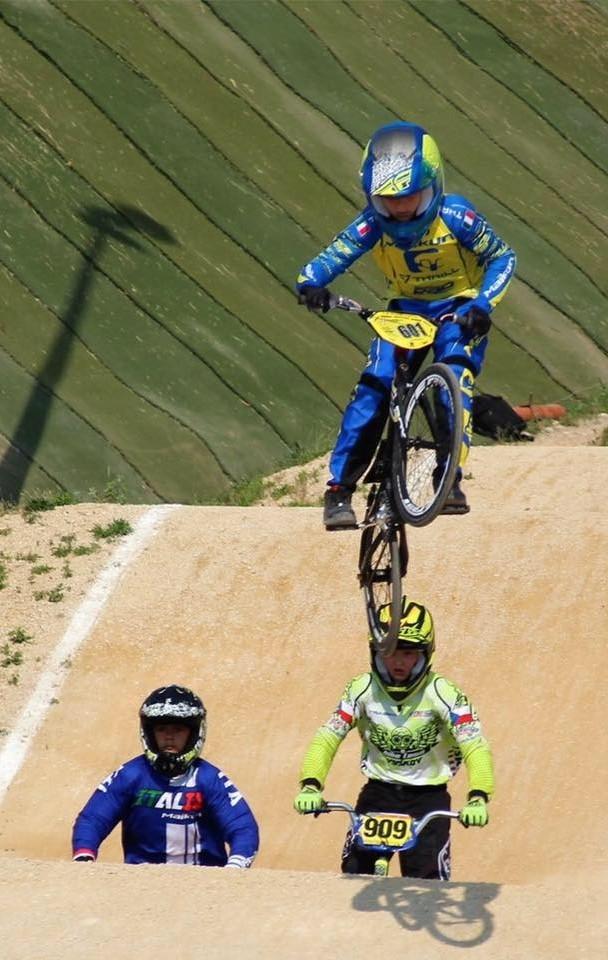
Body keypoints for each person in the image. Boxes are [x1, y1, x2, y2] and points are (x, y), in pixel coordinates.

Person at [296, 121, 516, 528]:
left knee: (455, 379)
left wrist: (484, 304)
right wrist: (311, 285)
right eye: (387, 199)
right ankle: (339, 489)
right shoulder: (371, 224)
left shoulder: (458, 217)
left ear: (432, 186)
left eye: (410, 196)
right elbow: (329, 258)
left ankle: (448, 478)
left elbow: (503, 257)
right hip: (403, 312)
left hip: (459, 308)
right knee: (374, 387)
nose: (398, 208)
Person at [293, 600, 494, 879]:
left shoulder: (445, 694)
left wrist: (478, 796)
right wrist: (311, 785)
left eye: (408, 653)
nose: (398, 662)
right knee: (353, 875)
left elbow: (474, 745)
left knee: (427, 885)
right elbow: (328, 735)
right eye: (389, 652)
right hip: (379, 794)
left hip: (428, 799)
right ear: (375, 652)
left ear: (424, 654)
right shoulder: (361, 689)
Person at [72, 684, 259, 868]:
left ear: (194, 733)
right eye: (161, 729)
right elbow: (93, 819)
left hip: (203, 887)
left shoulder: (210, 779)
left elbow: (243, 827)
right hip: (140, 887)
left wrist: (235, 867)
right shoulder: (130, 775)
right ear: (149, 733)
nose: (169, 737)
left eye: (178, 730)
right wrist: (84, 853)